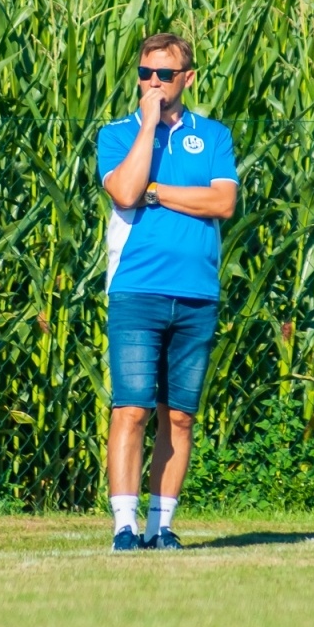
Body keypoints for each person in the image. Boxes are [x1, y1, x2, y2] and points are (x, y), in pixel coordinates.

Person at [97, 34, 237, 551]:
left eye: (164, 75)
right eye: (144, 73)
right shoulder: (117, 135)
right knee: (131, 409)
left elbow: (223, 202)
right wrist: (149, 126)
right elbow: (126, 191)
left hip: (198, 294)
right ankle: (124, 527)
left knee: (179, 415)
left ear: (188, 79)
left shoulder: (214, 136)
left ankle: (162, 526)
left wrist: (160, 193)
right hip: (136, 290)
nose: (152, 83)